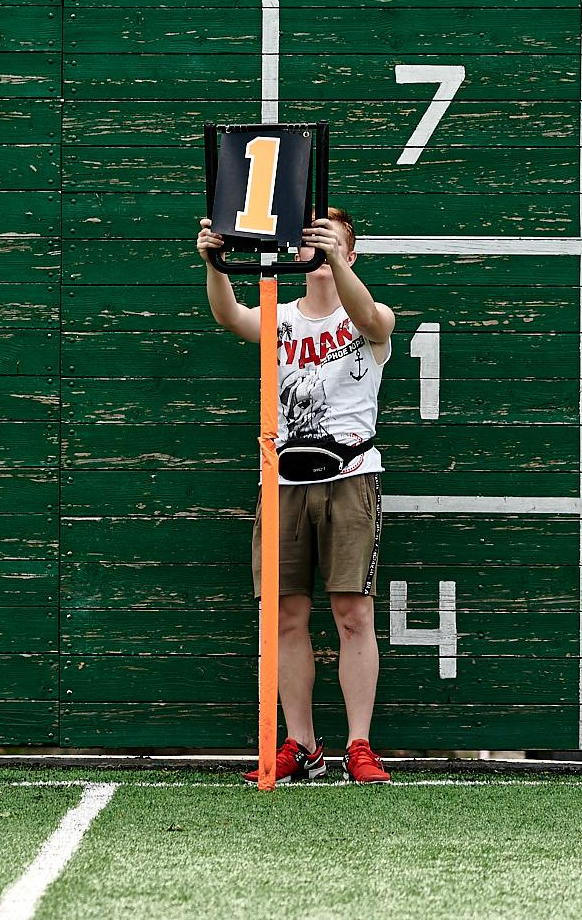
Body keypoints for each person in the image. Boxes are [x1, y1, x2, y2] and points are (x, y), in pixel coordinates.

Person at [196, 206, 396, 785]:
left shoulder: (369, 314)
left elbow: (373, 321)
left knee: (352, 613)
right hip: (283, 480)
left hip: (349, 476)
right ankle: (302, 744)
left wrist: (334, 254)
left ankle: (360, 745)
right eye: (310, 234)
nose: (318, 243)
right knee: (286, 616)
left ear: (351, 253)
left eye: (332, 238)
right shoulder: (281, 318)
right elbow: (229, 315)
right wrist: (215, 263)